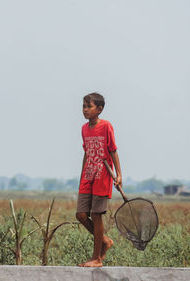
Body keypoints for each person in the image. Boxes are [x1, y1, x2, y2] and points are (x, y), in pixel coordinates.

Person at [76, 92, 122, 267]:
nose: (85, 110)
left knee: (96, 215)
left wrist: (119, 175)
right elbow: (86, 153)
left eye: (89, 107)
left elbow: (113, 151)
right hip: (88, 175)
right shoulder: (84, 129)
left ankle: (97, 258)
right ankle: (104, 241)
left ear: (99, 109)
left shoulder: (106, 126)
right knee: (80, 214)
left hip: (103, 175)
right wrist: (82, 176)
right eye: (84, 106)